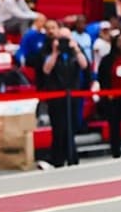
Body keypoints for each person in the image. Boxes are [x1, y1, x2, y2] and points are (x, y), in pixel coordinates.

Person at [38, 22, 89, 167]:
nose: (64, 42)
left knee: (71, 126)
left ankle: (72, 156)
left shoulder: (75, 51)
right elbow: (46, 70)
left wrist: (77, 50)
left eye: (66, 38)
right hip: (57, 95)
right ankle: (58, 158)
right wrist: (55, 52)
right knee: (59, 128)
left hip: (73, 94)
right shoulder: (48, 50)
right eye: (61, 38)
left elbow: (85, 65)